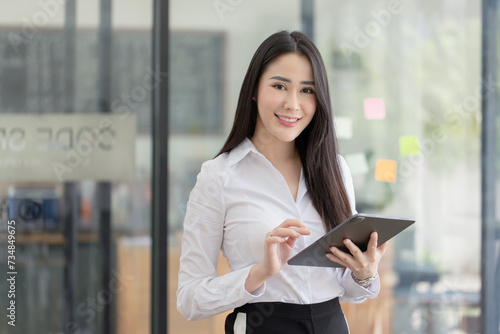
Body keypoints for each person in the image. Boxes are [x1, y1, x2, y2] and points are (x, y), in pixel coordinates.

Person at [176, 30, 387, 334]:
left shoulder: (335, 169)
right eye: (279, 86)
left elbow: (349, 290)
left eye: (306, 91)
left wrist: (364, 273)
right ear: (254, 90)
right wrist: (260, 273)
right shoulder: (219, 176)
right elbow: (189, 299)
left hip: (331, 324)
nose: (293, 104)